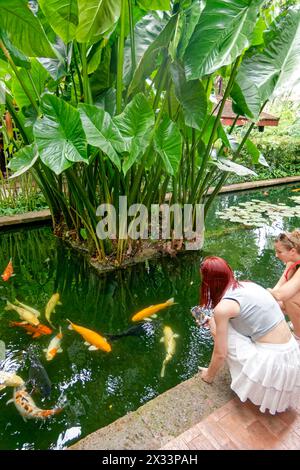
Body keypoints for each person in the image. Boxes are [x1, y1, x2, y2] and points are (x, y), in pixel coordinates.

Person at [198, 256, 300, 414]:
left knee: (214, 322)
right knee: (220, 321)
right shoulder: (249, 285)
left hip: (271, 364)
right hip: (291, 354)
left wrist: (209, 376)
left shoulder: (223, 308)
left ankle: (246, 376)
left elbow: (220, 353)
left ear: (209, 282)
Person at [268, 230, 300, 344]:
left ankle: (298, 338)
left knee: (289, 299)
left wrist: (262, 293)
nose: (276, 255)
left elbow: (281, 294)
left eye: (279, 252)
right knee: (276, 305)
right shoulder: (291, 262)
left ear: (292, 251)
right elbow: (279, 287)